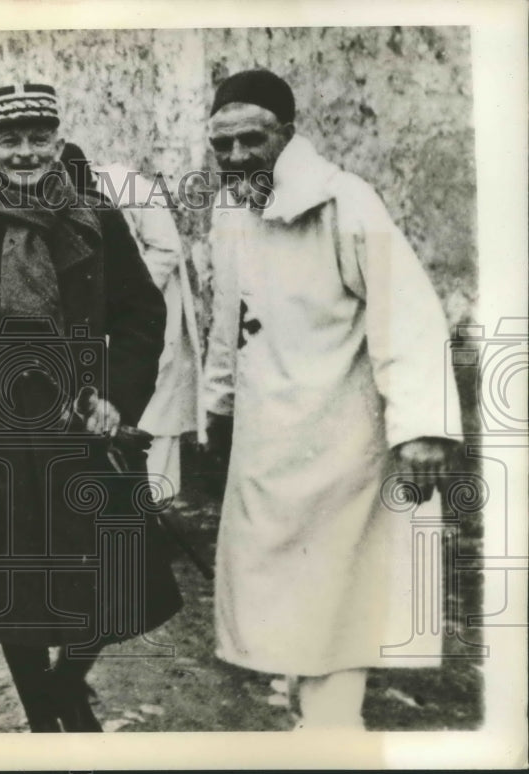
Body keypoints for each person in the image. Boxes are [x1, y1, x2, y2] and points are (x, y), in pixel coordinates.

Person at [0, 82, 183, 732]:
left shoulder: (97, 219)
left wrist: (117, 398)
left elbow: (141, 313)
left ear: (58, 141)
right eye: (9, 139)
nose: (24, 153)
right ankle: (43, 718)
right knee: (11, 588)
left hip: (82, 421)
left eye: (37, 137)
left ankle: (63, 686)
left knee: (115, 575)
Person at [201, 69, 462, 729]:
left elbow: (406, 312)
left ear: (286, 134)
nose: (235, 158)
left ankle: (333, 730)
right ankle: (306, 717)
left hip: (343, 437)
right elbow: (228, 317)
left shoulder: (348, 202)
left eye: (251, 140)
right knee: (280, 589)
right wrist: (219, 402)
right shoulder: (231, 209)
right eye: (222, 145)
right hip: (269, 439)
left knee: (341, 590)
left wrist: (421, 429)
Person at [61, 144, 203, 500]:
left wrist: (119, 300)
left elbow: (167, 248)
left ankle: (155, 509)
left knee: (156, 421)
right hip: (107, 329)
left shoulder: (128, 186)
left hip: (151, 316)